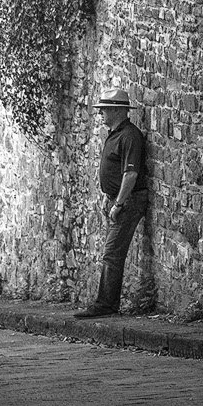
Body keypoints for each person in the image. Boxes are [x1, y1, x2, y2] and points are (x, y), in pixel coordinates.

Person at [74, 87, 150, 318]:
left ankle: (106, 304)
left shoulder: (129, 136)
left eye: (104, 110)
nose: (100, 115)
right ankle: (106, 302)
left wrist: (118, 204)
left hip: (128, 201)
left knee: (112, 253)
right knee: (111, 252)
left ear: (116, 111)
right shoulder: (116, 134)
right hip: (119, 200)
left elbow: (130, 174)